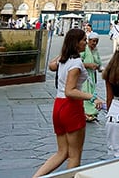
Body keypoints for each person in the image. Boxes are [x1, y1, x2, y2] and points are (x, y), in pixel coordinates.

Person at [32, 28, 101, 177]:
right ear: (76, 43)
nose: (85, 42)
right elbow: (71, 91)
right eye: (83, 39)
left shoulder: (64, 59)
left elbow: (51, 65)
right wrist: (92, 97)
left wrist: (64, 52)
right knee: (75, 155)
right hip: (71, 108)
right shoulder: (75, 63)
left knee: (62, 152)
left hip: (58, 105)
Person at [80, 32, 103, 122]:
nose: (94, 43)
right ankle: (86, 113)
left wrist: (100, 67)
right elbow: (78, 62)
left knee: (92, 92)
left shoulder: (95, 50)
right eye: (93, 41)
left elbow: (99, 62)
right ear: (88, 41)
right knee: (86, 93)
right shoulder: (84, 49)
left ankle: (91, 112)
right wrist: (88, 65)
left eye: (96, 42)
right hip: (84, 76)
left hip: (92, 76)